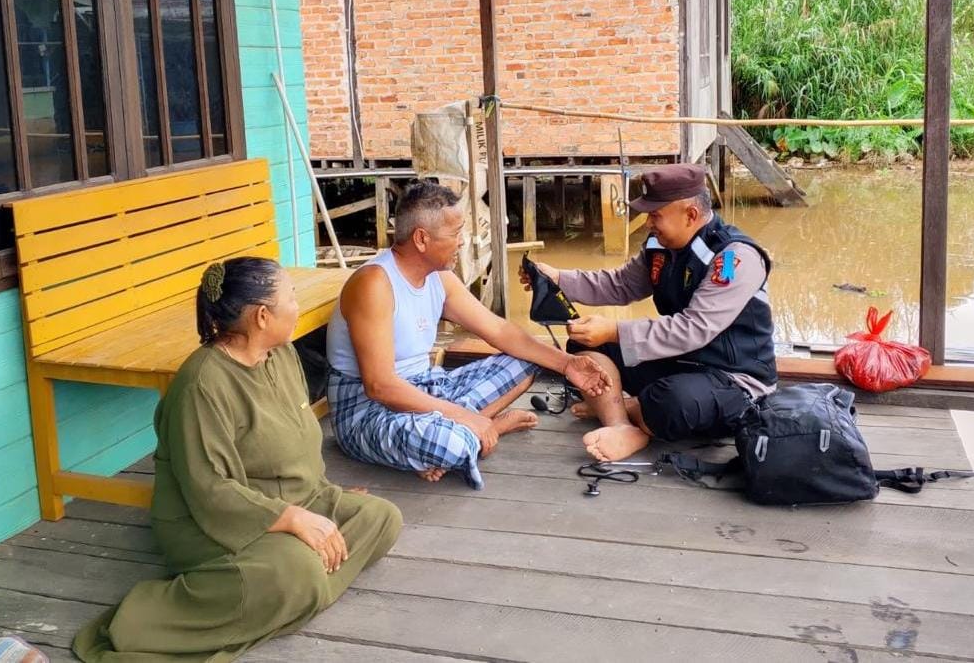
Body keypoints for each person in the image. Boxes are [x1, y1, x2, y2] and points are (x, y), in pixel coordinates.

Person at [73, 257, 401, 663]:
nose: (298, 306)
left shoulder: (281, 356)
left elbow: (295, 447)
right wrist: (295, 520)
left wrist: (320, 501)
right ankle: (154, 617)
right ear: (263, 316)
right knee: (298, 573)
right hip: (211, 521)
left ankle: (290, 594)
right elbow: (209, 491)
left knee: (382, 518)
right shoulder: (201, 385)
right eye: (291, 298)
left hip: (294, 500)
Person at [327, 181, 611, 487]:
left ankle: (458, 435)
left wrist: (567, 364)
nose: (462, 242)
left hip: (425, 387)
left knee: (528, 359)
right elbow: (380, 387)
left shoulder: (440, 278)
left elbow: (500, 329)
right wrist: (467, 417)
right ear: (421, 239)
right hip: (365, 411)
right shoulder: (374, 284)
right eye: (455, 233)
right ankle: (483, 429)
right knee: (449, 444)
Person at [520, 163, 777, 463]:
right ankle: (621, 423)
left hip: (731, 377)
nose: (648, 223)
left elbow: (692, 329)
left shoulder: (734, 258)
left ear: (690, 215)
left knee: (670, 402)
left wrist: (615, 330)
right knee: (583, 347)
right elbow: (618, 285)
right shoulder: (659, 245)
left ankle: (622, 407)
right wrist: (557, 278)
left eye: (656, 215)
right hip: (680, 361)